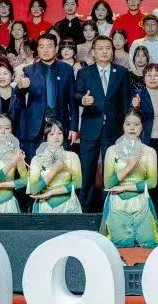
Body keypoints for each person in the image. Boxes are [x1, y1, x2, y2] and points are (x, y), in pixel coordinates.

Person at [73, 35, 129, 212]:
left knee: (111, 172)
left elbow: (125, 102)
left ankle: (109, 210)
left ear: (113, 52)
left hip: (114, 129)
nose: (105, 51)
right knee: (87, 171)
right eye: (100, 48)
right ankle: (85, 212)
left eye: (108, 48)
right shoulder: (84, 72)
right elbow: (76, 95)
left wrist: (126, 129)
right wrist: (83, 100)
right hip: (90, 127)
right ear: (93, 52)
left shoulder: (121, 72)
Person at [101, 111, 158, 247]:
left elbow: (152, 183)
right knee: (120, 243)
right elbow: (108, 183)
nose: (132, 128)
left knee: (148, 242)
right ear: (123, 126)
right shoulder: (112, 150)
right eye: (128, 124)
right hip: (117, 201)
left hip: (141, 200)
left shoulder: (149, 151)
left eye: (136, 124)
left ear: (142, 126)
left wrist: (124, 187)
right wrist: (128, 167)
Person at [18, 33, 75, 157]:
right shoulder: (29, 70)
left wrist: (74, 127)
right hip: (36, 127)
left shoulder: (67, 69)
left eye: (49, 46)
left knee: (61, 163)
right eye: (42, 46)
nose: (45, 50)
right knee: (35, 163)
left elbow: (72, 100)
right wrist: (19, 87)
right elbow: (19, 98)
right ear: (37, 49)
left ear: (56, 48)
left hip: (60, 125)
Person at [27, 119, 83, 213]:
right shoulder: (36, 159)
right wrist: (55, 170)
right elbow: (34, 190)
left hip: (68, 205)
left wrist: (51, 192)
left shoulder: (72, 156)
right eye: (51, 134)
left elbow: (78, 183)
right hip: (44, 206)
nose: (56, 137)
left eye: (59, 133)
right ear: (45, 138)